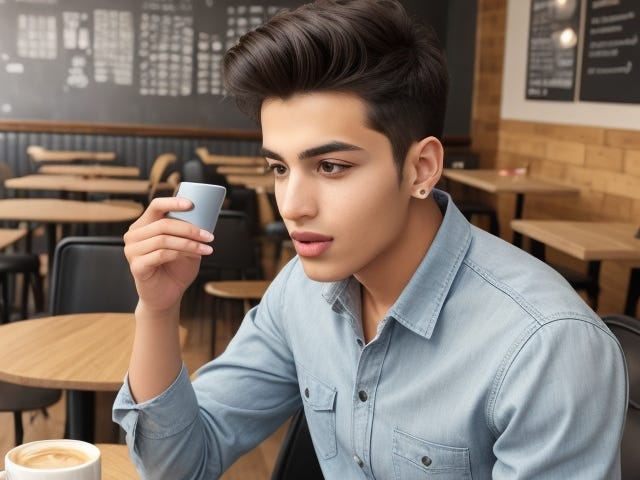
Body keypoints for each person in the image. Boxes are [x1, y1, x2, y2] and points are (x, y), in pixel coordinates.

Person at [113, 0, 628, 478]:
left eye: (332, 166)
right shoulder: (301, 290)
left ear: (420, 167)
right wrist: (157, 309)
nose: (292, 205)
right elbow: (180, 464)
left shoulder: (546, 346)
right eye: (279, 167)